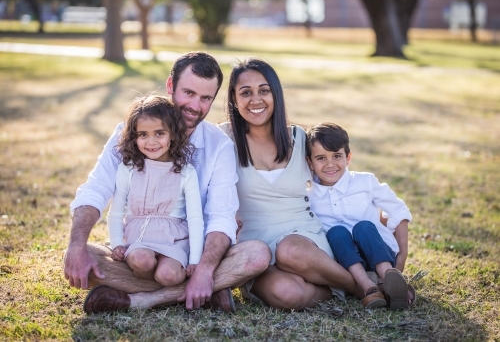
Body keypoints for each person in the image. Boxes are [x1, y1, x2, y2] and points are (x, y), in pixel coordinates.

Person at [63, 52, 271, 314]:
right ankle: (205, 291)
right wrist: (76, 246)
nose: (195, 106)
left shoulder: (219, 146)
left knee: (257, 255)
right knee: (84, 255)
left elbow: (221, 217)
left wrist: (204, 269)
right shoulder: (129, 132)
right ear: (170, 85)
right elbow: (96, 189)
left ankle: (143, 299)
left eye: (206, 98)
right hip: (141, 253)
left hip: (195, 254)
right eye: (189, 93)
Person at [219, 58, 363, 310]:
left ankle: (364, 288)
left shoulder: (299, 137)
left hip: (304, 240)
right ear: (234, 99)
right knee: (288, 293)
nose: (256, 100)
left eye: (264, 90)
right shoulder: (222, 139)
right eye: (245, 92)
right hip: (255, 249)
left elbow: (336, 178)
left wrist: (381, 216)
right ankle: (351, 285)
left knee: (290, 250)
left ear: (276, 94)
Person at [306, 122, 414, 310]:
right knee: (336, 232)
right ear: (310, 162)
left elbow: (398, 210)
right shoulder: (309, 196)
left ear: (348, 157)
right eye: (321, 158)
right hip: (346, 265)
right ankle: (369, 288)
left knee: (363, 227)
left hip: (381, 254)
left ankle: (390, 279)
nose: (330, 164)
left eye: (337, 156)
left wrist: (402, 256)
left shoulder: (365, 182)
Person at [107, 95, 203, 287]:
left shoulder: (185, 171)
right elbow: (116, 212)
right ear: (134, 137)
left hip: (173, 241)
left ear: (173, 134)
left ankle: (154, 285)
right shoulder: (128, 169)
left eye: (159, 133)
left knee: (168, 275)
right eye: (143, 134)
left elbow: (195, 218)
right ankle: (153, 286)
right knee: (143, 261)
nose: (151, 141)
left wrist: (194, 260)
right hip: (139, 240)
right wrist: (117, 243)